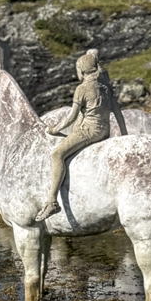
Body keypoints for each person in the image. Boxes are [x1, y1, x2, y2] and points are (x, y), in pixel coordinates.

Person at [34, 49, 127, 222]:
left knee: (57, 154)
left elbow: (71, 117)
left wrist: (55, 129)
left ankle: (52, 201)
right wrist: (124, 135)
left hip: (87, 131)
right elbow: (119, 114)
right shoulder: (106, 88)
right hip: (104, 131)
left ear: (81, 70)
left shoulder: (82, 88)